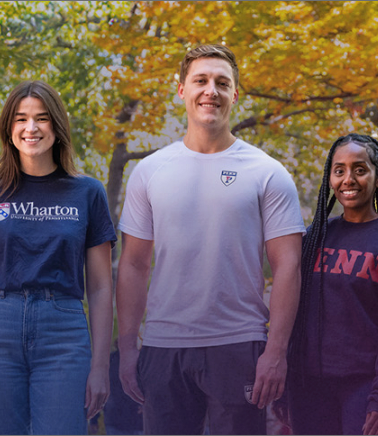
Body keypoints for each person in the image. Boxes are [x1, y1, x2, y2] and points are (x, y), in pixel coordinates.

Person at [114, 44, 305, 435]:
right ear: (181, 89)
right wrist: (128, 346)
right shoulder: (150, 172)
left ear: (235, 94)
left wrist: (277, 352)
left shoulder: (268, 173)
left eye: (222, 82)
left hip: (240, 345)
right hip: (164, 345)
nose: (210, 91)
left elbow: (289, 266)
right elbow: (133, 264)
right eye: (200, 80)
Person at [0, 80, 116, 434]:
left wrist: (100, 366)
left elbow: (100, 288)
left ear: (57, 126)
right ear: (9, 128)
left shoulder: (88, 191)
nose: (31, 128)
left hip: (64, 330)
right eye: (21, 119)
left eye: (42, 118)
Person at [286, 134, 378, 435]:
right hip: (309, 386)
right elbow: (293, 313)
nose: (349, 179)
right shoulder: (315, 236)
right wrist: (285, 382)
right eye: (339, 170)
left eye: (360, 169)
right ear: (330, 178)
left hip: (367, 387)